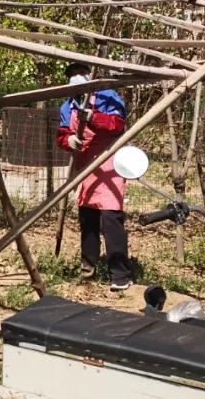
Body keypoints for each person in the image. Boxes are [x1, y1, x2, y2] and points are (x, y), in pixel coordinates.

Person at [54, 62, 131, 292]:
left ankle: (120, 274)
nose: (76, 78)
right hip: (85, 167)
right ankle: (88, 269)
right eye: (72, 75)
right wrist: (68, 140)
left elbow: (117, 124)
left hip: (108, 165)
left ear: (89, 75)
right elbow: (62, 132)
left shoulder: (108, 96)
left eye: (80, 73)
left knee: (110, 219)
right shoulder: (67, 106)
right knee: (87, 219)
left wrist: (93, 117)